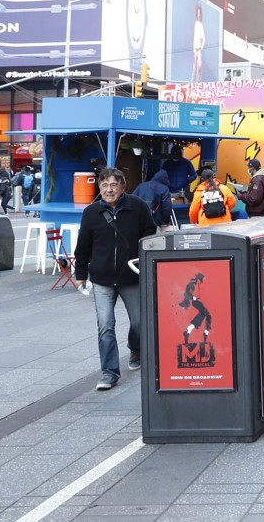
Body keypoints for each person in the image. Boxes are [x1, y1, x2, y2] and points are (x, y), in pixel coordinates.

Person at [73, 167, 157, 391]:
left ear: (122, 187)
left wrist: (148, 264)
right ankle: (109, 372)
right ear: (99, 187)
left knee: (140, 322)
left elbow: (150, 237)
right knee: (105, 326)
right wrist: (80, 274)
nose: (109, 190)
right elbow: (83, 246)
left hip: (131, 276)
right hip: (102, 278)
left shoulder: (138, 207)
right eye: (104, 185)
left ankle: (135, 346)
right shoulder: (91, 213)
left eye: (113, 185)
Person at [191, 3, 206, 83]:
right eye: (198, 13)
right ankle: (192, 82)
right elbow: (194, 37)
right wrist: (194, 51)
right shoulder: (196, 24)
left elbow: (204, 38)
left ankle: (198, 82)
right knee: (194, 67)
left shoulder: (201, 25)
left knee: (199, 67)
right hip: (195, 49)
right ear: (196, 14)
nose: (199, 15)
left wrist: (201, 47)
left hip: (199, 49)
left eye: (200, 13)